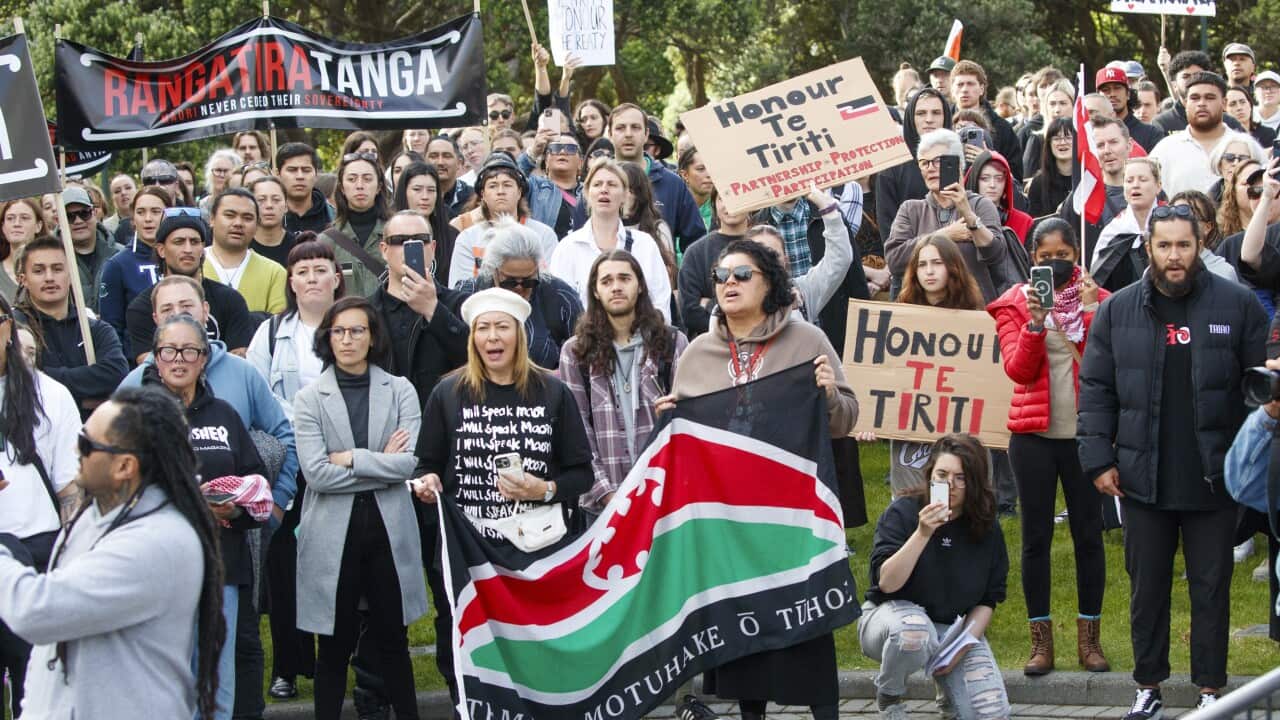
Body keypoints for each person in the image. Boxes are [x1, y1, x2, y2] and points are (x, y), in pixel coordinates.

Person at [1077, 203, 1268, 717]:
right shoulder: (1117, 311)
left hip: (1214, 479)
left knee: (1212, 590)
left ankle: (1211, 689)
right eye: (1164, 246)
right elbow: (1095, 390)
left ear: (1200, 243)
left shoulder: (1237, 305)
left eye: (1184, 244)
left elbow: (1258, 390)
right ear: (1149, 246)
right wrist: (1097, 460)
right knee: (1147, 591)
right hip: (1141, 479)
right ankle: (1148, 686)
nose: (1174, 255)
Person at [658, 239, 857, 720]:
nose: (728, 282)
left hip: (792, 517)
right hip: (729, 525)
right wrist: (671, 420)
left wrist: (828, 394)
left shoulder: (806, 340)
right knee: (742, 632)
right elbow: (687, 444)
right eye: (721, 276)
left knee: (806, 627)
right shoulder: (697, 354)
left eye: (742, 274)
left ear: (769, 282)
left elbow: (846, 419)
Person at [410, 287, 593, 696]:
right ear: (473, 337)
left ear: (519, 335)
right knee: (473, 645)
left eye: (502, 328)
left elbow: (582, 474)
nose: (492, 338)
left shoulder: (553, 391)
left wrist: (543, 488)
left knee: (539, 647)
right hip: (470, 548)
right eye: (483, 329)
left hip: (539, 549)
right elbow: (427, 464)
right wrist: (428, 483)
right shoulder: (447, 393)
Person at [0, 385, 224, 718]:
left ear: (125, 467)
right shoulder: (96, 516)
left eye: (88, 444)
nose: (76, 448)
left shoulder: (155, 543)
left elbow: (37, 611)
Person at [290, 296, 425, 720]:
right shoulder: (310, 398)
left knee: (393, 641)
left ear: (372, 337)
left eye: (357, 331)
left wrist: (352, 457)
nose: (348, 339)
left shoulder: (400, 389)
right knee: (333, 643)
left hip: (388, 529)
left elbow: (409, 463)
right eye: (339, 331)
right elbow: (316, 475)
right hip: (333, 534)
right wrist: (380, 462)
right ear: (327, 338)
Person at [986, 219, 1111, 676]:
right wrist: (1037, 323)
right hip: (1033, 438)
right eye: (1045, 258)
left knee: (1088, 537)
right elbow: (1018, 371)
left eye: (1064, 256)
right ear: (1031, 259)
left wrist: (1094, 312)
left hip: (1084, 439)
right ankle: (1041, 643)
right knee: (1035, 538)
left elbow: (1106, 367)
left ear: (1076, 254)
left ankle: (1090, 640)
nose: (1055, 265)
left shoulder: (1102, 301)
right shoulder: (1014, 306)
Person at [143, 314, 272, 720]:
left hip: (222, 568)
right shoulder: (135, 417)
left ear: (203, 359)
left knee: (217, 681)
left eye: (190, 351)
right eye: (169, 351)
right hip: (159, 569)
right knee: (168, 681)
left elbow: (258, 485)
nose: (178, 359)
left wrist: (234, 506)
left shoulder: (225, 415)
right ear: (156, 359)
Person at [244, 240, 342, 700]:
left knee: (339, 567)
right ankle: (287, 664)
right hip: (289, 466)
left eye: (319, 270)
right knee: (286, 568)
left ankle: (339, 661)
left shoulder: (353, 326)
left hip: (341, 462)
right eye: (301, 271)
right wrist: (303, 429)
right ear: (291, 281)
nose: (310, 279)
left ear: (336, 278)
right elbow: (260, 397)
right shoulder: (269, 333)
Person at [122, 275, 298, 528]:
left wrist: (275, 505)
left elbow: (284, 437)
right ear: (155, 319)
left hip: (237, 529)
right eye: (167, 309)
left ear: (205, 311)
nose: (178, 314)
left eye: (186, 306)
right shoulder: (134, 385)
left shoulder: (243, 373)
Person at [859, 434, 1011, 720]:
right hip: (891, 621)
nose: (949, 485)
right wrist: (923, 533)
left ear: (975, 482)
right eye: (941, 474)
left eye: (960, 477)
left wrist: (961, 648)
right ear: (930, 474)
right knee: (914, 632)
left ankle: (950, 702)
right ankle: (889, 696)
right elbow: (886, 583)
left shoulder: (985, 526)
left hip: (951, 629)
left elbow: (989, 599)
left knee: (991, 711)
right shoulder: (904, 511)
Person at [558, 250, 687, 516]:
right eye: (606, 281)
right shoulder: (576, 352)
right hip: (604, 507)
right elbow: (577, 431)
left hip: (665, 498)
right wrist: (607, 495)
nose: (616, 287)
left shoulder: (672, 343)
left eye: (624, 278)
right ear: (595, 291)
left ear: (639, 285)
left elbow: (688, 425)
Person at [0, 291, 80, 717]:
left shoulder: (48, 394)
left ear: (8, 327)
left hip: (34, 545)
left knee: (35, 683)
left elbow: (71, 488)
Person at [885, 234, 986, 495]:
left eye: (937, 263)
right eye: (922, 264)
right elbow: (886, 374)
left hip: (958, 430)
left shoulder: (975, 317)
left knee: (953, 504)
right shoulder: (901, 315)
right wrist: (871, 420)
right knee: (910, 507)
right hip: (911, 429)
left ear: (952, 267)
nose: (929, 271)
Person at [886, 129, 1012, 303]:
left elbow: (996, 254)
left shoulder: (980, 204)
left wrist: (968, 214)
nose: (930, 168)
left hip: (972, 310)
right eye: (924, 163)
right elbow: (895, 261)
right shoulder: (911, 209)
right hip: (924, 313)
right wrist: (945, 235)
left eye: (938, 161)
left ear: (958, 163)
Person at [14, 236, 128, 417]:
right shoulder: (15, 328)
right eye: (39, 271)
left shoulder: (96, 329)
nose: (49, 278)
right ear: (23, 279)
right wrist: (82, 397)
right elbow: (20, 378)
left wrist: (45, 374)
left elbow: (116, 373)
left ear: (71, 275)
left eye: (57, 269)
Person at [125, 209, 256, 362]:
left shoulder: (231, 299)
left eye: (194, 242)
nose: (188, 249)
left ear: (202, 249)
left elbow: (238, 360)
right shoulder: (142, 307)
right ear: (161, 250)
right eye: (178, 242)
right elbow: (147, 364)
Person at [452, 217, 582, 369]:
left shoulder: (560, 296)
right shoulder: (470, 293)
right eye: (510, 282)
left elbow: (584, 351)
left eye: (528, 282)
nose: (519, 289)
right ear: (494, 272)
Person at [551, 160, 673, 322]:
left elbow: (660, 305)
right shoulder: (567, 248)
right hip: (584, 342)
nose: (604, 190)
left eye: (612, 184)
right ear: (586, 194)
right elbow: (558, 308)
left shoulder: (644, 244)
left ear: (624, 195)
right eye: (597, 184)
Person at [875, 88, 954, 291]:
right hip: (908, 280)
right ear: (911, 118)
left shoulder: (959, 160)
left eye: (936, 113)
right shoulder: (892, 166)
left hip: (956, 276)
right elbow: (891, 240)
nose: (929, 119)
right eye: (921, 113)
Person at [447, 153, 558, 287]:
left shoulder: (544, 234)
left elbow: (550, 285)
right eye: (493, 186)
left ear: (519, 192)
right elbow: (460, 289)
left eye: (507, 185)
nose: (500, 191)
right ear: (483, 195)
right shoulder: (467, 238)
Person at [608, 104, 705, 253]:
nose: (628, 134)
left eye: (635, 127)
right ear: (610, 134)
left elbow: (696, 244)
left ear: (646, 134)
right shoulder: (596, 185)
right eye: (620, 128)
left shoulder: (673, 184)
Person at [98, 186, 171, 344]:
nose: (148, 218)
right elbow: (111, 328)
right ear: (133, 218)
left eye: (156, 211)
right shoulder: (117, 265)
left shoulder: (181, 258)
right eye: (141, 212)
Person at [203, 188, 288, 315]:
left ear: (257, 224)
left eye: (247, 218)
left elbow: (278, 324)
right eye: (230, 215)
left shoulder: (274, 273)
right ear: (212, 219)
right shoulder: (194, 265)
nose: (238, 223)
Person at [320, 151, 391, 298]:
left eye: (367, 179)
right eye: (352, 179)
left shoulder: (395, 234)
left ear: (378, 187)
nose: (360, 186)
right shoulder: (327, 241)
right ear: (342, 188)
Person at [678, 188, 748, 338]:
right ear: (714, 204)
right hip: (712, 344)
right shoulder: (696, 252)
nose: (729, 204)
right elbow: (690, 312)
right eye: (723, 197)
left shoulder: (763, 243)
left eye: (736, 194)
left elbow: (772, 298)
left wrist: (710, 305)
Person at [1150, 72, 1231, 197]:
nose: (1201, 103)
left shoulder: (1245, 146)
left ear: (1224, 103)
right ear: (1186, 103)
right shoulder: (1165, 149)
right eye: (1195, 98)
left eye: (1209, 97)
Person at [1060, 116, 1133, 253]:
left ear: (1129, 145)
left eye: (1113, 142)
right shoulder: (1081, 197)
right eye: (1099, 145)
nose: (1107, 150)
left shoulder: (1148, 190)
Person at [1091, 158, 1162, 292]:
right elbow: (1099, 284)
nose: (1135, 185)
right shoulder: (1114, 231)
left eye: (1143, 179)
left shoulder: (1172, 225)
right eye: (1129, 181)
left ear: (1158, 186)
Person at [949, 60, 1023, 181]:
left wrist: (990, 160)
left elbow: (1016, 176)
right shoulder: (942, 124)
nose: (965, 89)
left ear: (982, 89)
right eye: (960, 84)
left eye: (970, 84)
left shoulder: (1002, 128)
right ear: (952, 89)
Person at [392, 161, 461, 282]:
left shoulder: (452, 236)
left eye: (431, 190)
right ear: (404, 193)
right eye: (417, 189)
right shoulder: (389, 234)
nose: (425, 196)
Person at [60, 186, 120, 313]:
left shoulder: (121, 254)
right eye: (69, 217)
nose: (78, 221)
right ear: (60, 220)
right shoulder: (50, 260)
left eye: (84, 214)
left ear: (94, 213)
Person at [519, 130, 586, 239]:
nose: (563, 152)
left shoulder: (590, 191)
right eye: (555, 148)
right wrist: (532, 153)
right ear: (546, 162)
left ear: (580, 163)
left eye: (570, 148)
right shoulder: (533, 187)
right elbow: (509, 178)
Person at [965, 150, 1033, 247]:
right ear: (975, 181)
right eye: (985, 178)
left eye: (999, 178)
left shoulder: (1024, 222)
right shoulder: (959, 221)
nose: (992, 185)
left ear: (1006, 183)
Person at [1097, 67, 1164, 152]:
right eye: (1106, 90)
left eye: (1117, 88)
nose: (1112, 94)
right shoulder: (1090, 133)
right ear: (1098, 97)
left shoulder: (1151, 134)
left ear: (1128, 94)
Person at [1022, 78, 1075, 179]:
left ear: (1073, 105)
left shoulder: (1084, 139)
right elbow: (1026, 183)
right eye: (1052, 104)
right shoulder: (1037, 141)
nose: (1057, 110)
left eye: (1063, 103)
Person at [278, 143, 335, 236]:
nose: (300, 176)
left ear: (316, 174)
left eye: (306, 170)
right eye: (292, 170)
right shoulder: (268, 215)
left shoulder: (333, 217)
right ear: (277, 174)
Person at [0, 198, 46, 302]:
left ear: (38, 226)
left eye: (24, 218)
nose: (16, 224)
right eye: (10, 218)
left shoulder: (52, 269)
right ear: (3, 227)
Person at [1028, 118, 1075, 218]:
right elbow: (1035, 224)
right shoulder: (1038, 183)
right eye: (1057, 138)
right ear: (1049, 144)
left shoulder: (1087, 179)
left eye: (1068, 137)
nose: (1062, 142)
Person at [250, 176, 299, 268]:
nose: (269, 205)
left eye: (276, 200)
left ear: (286, 206)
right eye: (261, 200)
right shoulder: (241, 246)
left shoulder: (299, 248)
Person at [1206, 131, 1266, 204]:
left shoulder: (1265, 197)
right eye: (1229, 157)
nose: (1235, 163)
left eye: (1243, 158)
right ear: (1219, 162)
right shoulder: (1207, 201)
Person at [426, 135, 475, 216]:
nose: (440, 162)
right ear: (424, 161)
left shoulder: (473, 197)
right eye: (434, 156)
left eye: (447, 156)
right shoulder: (417, 196)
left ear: (459, 163)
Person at [1216, 159, 1264, 238]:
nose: (1256, 189)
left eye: (1262, 183)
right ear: (1233, 190)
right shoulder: (1218, 234)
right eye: (1247, 183)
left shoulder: (1275, 232)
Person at [678, 146, 715, 231]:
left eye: (711, 168)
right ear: (685, 175)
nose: (709, 175)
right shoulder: (674, 209)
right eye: (701, 169)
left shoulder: (724, 211)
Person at [105, 173, 138, 242]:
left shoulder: (150, 220)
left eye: (128, 188)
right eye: (117, 191)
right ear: (112, 198)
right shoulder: (105, 227)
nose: (123, 193)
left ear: (137, 191)